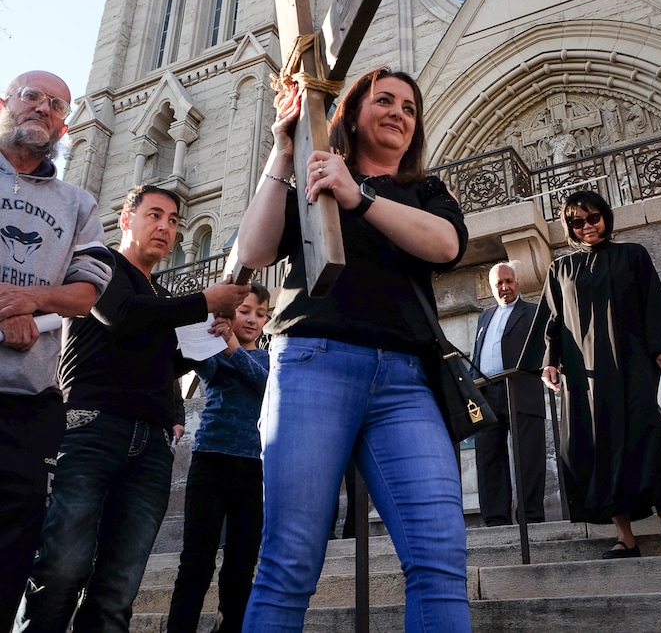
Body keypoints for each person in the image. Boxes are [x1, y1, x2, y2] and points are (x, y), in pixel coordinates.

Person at [236, 66, 472, 633]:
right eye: (384, 100)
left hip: (407, 382)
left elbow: (445, 245)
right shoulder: (311, 176)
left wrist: (358, 197)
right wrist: (283, 147)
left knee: (440, 559)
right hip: (314, 363)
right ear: (352, 113)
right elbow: (253, 250)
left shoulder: (424, 192)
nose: (397, 113)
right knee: (289, 559)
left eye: (409, 108)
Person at [15, 184, 249, 633]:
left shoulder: (161, 297)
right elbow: (119, 313)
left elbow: (163, 359)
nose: (165, 227)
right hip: (92, 429)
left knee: (118, 590)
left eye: (174, 221)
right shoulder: (101, 265)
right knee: (61, 569)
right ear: (127, 220)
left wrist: (210, 337)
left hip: (154, 443)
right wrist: (203, 302)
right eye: (154, 215)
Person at [0, 72, 114, 633]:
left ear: (64, 125)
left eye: (55, 105)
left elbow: (86, 293)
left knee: (12, 553)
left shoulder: (78, 203)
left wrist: (31, 303)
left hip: (28, 403)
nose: (42, 109)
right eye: (31, 97)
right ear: (4, 103)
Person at [519, 189, 661, 558]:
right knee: (596, 446)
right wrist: (548, 361)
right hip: (586, 376)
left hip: (632, 364)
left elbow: (652, 301)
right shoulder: (560, 269)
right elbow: (551, 319)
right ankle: (625, 535)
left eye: (593, 218)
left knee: (648, 431)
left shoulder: (633, 255)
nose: (587, 227)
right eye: (577, 222)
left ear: (606, 217)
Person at [166, 281, 271, 633]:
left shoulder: (268, 357)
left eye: (261, 314)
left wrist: (232, 349)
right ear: (230, 313)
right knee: (196, 561)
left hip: (254, 468)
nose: (253, 319)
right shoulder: (214, 351)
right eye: (245, 311)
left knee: (241, 566)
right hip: (210, 459)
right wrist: (218, 339)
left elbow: (265, 383)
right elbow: (201, 364)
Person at [472, 262, 546, 526]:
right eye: (498, 284)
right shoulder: (484, 317)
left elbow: (547, 351)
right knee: (488, 456)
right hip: (486, 393)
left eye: (509, 281)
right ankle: (495, 520)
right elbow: (476, 354)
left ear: (517, 282)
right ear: (492, 288)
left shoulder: (534, 312)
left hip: (520, 389)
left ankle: (531, 518)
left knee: (528, 455)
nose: (504, 287)